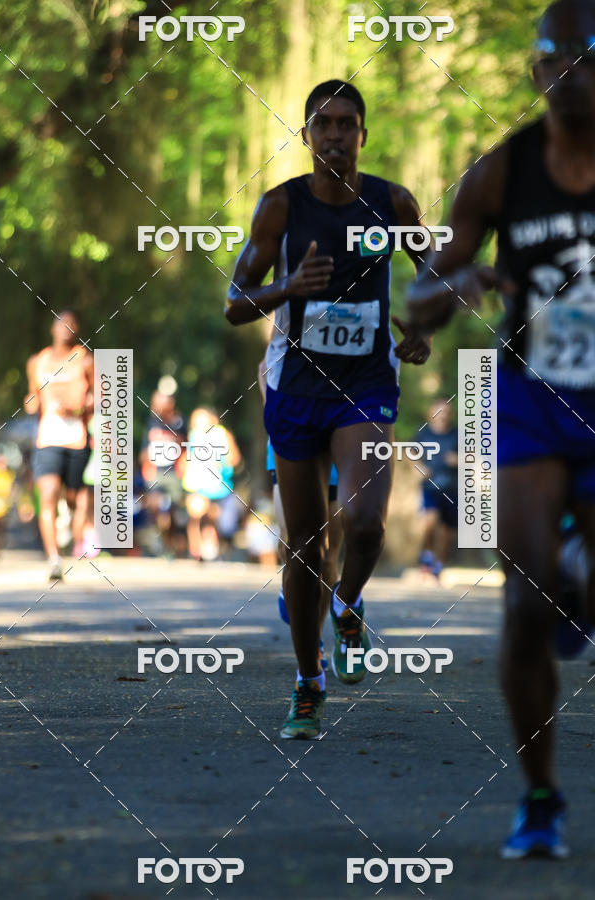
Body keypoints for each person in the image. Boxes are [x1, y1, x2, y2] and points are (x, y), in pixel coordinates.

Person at [406, 0, 595, 857]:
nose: (574, 76)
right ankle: (541, 799)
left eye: (590, 59)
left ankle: (579, 579)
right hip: (531, 397)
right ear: (536, 72)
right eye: (558, 59)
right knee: (524, 604)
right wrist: (459, 285)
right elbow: (420, 296)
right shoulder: (499, 174)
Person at [226, 79, 430, 739]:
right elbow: (235, 302)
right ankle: (308, 683)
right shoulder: (280, 208)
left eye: (347, 123)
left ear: (363, 135)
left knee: (364, 523)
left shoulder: (392, 203)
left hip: (365, 383)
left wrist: (423, 324)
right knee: (306, 545)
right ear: (306, 135)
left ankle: (348, 606)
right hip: (296, 388)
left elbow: (435, 271)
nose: (336, 134)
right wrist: (288, 287)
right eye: (324, 123)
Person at [259, 358, 342, 668]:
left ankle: (314, 640)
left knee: (328, 555)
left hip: (338, 439)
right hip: (292, 434)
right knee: (293, 545)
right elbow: (265, 366)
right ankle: (292, 589)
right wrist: (275, 407)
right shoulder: (291, 328)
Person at [24, 309, 93, 580]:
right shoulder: (37, 361)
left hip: (76, 440)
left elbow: (100, 398)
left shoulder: (84, 360)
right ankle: (54, 559)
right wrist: (31, 403)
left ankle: (68, 515)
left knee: (73, 498)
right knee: (48, 493)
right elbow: (33, 396)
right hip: (48, 439)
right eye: (62, 324)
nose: (66, 328)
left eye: (71, 325)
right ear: (53, 328)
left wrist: (77, 409)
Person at [181, 407, 241, 561]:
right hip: (197, 487)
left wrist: (222, 462)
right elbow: (185, 460)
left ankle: (215, 547)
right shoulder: (193, 436)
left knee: (220, 521)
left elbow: (234, 459)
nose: (197, 424)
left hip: (219, 489)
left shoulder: (223, 435)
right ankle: (196, 551)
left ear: (213, 420)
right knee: (196, 512)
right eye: (195, 421)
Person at [140, 389, 187, 558]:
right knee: (155, 506)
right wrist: (146, 465)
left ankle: (170, 542)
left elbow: (186, 447)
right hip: (155, 473)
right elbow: (144, 451)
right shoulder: (151, 423)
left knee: (174, 510)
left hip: (174, 473)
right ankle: (157, 537)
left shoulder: (180, 423)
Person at [415, 398, 458, 579]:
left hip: (452, 487)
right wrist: (419, 467)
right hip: (429, 486)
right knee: (430, 521)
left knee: (448, 531)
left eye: (446, 412)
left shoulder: (457, 434)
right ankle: (426, 556)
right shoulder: (423, 433)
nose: (442, 416)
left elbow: (472, 456)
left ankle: (439, 565)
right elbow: (410, 452)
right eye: (439, 412)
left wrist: (458, 460)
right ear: (431, 413)